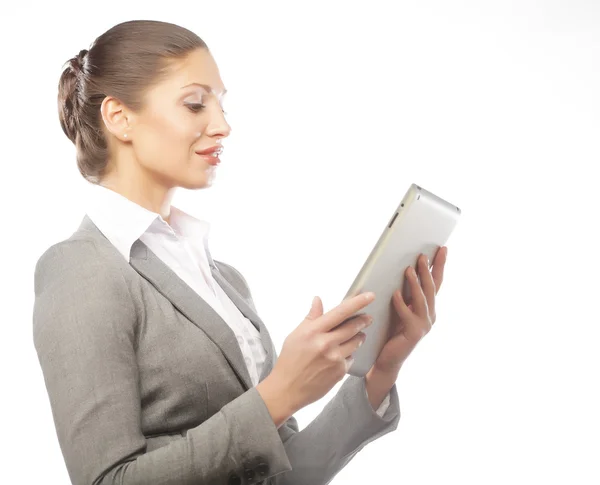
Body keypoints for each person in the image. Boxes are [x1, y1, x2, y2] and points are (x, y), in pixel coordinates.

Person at [32, 19, 448, 485]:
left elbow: (283, 476)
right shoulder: (81, 267)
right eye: (195, 103)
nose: (223, 125)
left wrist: (381, 369)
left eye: (221, 104)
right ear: (119, 117)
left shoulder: (223, 280)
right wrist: (278, 396)